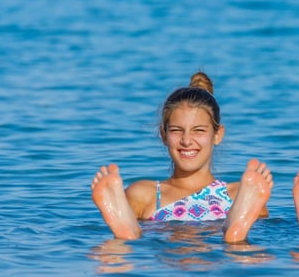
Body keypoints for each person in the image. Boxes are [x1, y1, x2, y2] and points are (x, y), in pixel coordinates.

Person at [91, 71, 273, 243]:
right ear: (164, 135)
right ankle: (127, 231)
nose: (186, 141)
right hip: (218, 251)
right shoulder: (144, 194)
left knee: (241, 243)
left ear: (218, 135)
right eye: (177, 130)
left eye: (199, 131)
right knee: (119, 246)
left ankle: (235, 232)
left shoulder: (241, 194)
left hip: (165, 253)